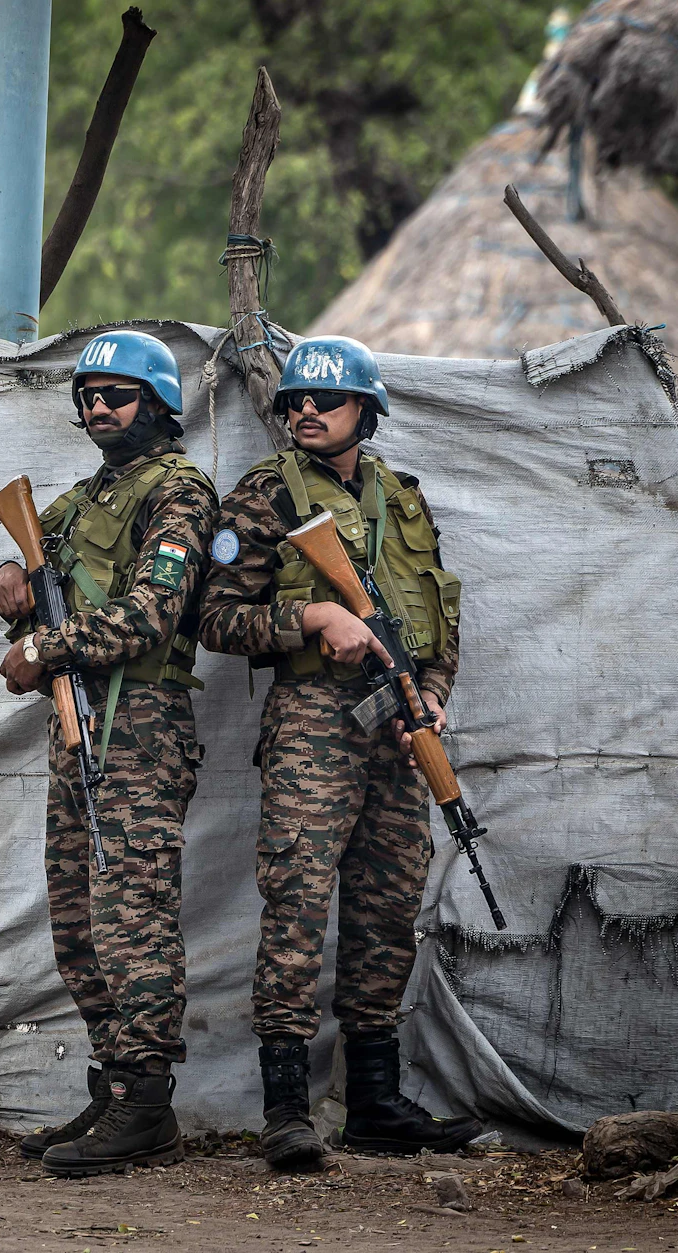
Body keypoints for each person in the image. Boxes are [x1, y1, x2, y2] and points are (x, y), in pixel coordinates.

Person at [197, 336, 481, 1170]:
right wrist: (313, 621)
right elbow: (216, 618)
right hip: (314, 724)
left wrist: (430, 694)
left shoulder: (404, 498)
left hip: (399, 731)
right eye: (295, 403)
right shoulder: (264, 497)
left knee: (389, 911)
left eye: (326, 400)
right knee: (295, 905)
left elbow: (441, 614)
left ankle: (375, 1102)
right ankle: (285, 1105)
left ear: (368, 410)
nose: (307, 412)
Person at [0, 329, 218, 1176]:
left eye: (115, 394)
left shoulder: (180, 491)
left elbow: (153, 613)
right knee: (79, 924)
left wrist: (44, 651)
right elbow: (24, 572)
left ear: (157, 404)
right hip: (77, 720)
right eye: (87, 396)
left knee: (134, 922)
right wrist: (9, 584)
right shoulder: (89, 496)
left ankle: (147, 1105)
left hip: (143, 724)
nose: (97, 408)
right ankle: (113, 1084)